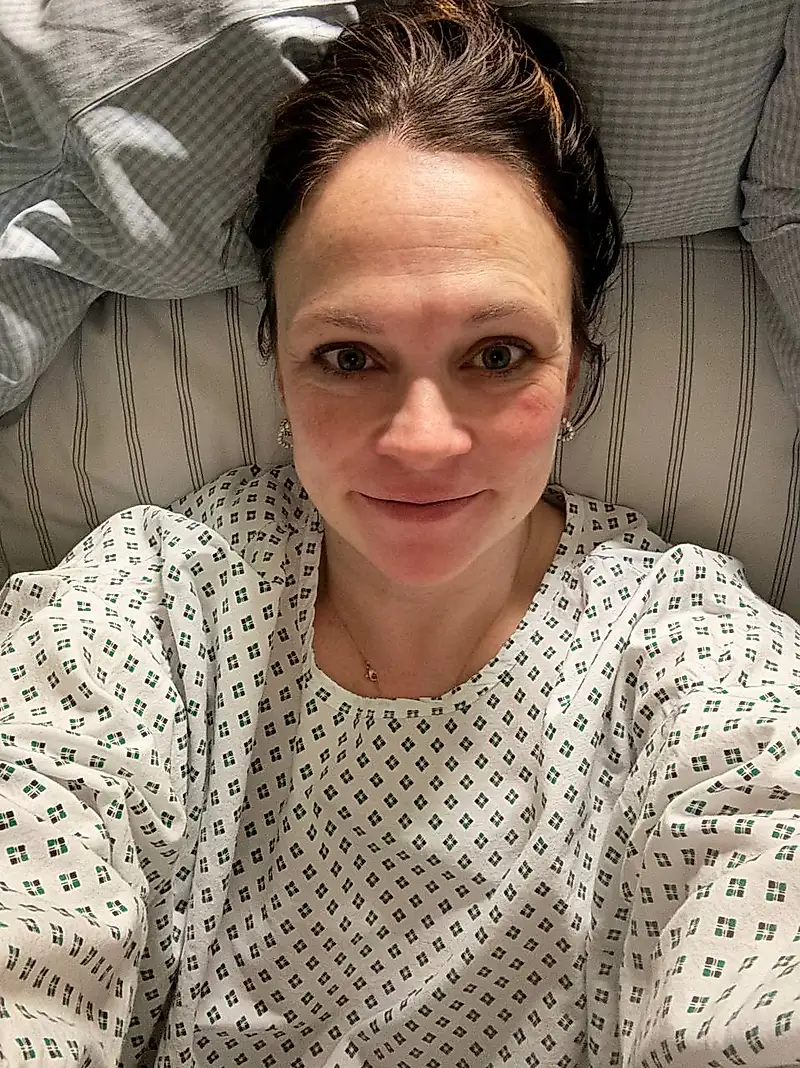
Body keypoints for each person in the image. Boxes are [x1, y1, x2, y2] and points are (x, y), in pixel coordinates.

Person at [0, 1, 798, 1065]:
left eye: (497, 354)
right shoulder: (155, 609)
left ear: (576, 368)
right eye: (349, 357)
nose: (422, 441)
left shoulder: (689, 654)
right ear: (277, 361)